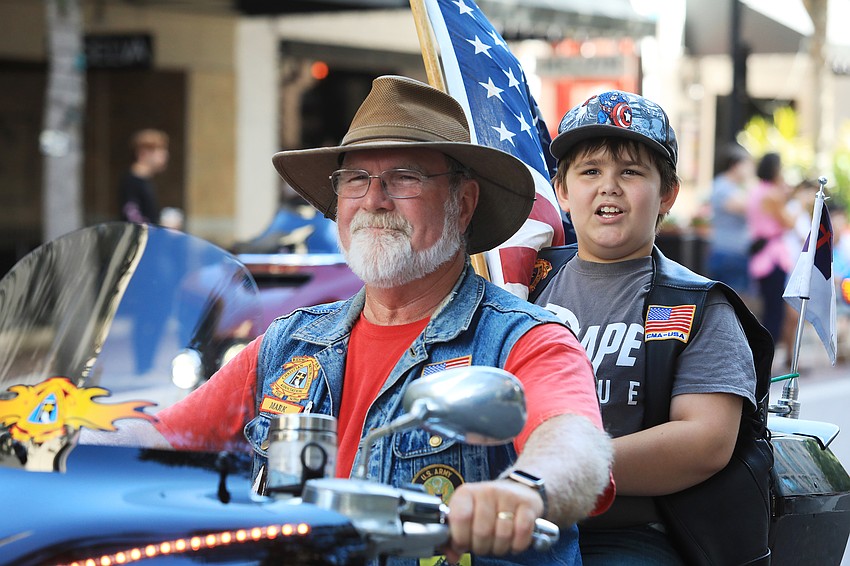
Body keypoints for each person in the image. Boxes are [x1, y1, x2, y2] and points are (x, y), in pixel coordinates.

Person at [146, 76, 614, 565]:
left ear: (464, 202)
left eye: (405, 176)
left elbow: (575, 444)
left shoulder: (525, 340)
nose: (373, 200)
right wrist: (71, 429)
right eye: (355, 179)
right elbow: (159, 436)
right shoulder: (290, 342)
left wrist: (525, 490)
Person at [528, 90, 773, 564]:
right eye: (590, 171)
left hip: (630, 536)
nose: (609, 187)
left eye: (631, 172)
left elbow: (705, 442)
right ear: (562, 190)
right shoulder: (524, 285)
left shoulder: (697, 305)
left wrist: (560, 469)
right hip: (513, 524)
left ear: (667, 194)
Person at [748, 152, 794, 355]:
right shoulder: (773, 194)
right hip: (773, 257)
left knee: (767, 309)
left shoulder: (755, 191)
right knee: (775, 312)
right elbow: (788, 222)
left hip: (760, 257)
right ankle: (768, 356)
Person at [706, 143, 754, 295]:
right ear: (735, 165)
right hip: (728, 253)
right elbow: (749, 208)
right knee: (732, 301)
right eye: (747, 165)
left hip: (735, 252)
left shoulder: (733, 187)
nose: (750, 170)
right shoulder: (723, 187)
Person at [120, 128, 170, 224]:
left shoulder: (145, 181)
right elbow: (133, 218)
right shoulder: (131, 182)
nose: (165, 155)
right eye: (160, 151)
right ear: (143, 153)